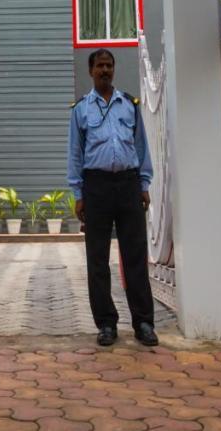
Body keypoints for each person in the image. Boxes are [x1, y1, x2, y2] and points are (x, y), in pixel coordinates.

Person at [67, 48, 158, 348]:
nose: (105, 70)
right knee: (97, 259)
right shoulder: (81, 110)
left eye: (109, 65)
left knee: (135, 255)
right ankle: (106, 324)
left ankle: (144, 322)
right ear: (91, 71)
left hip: (128, 184)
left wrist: (143, 184)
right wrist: (79, 194)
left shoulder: (129, 105)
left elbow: (141, 147)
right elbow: (75, 154)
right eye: (100, 66)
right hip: (97, 187)